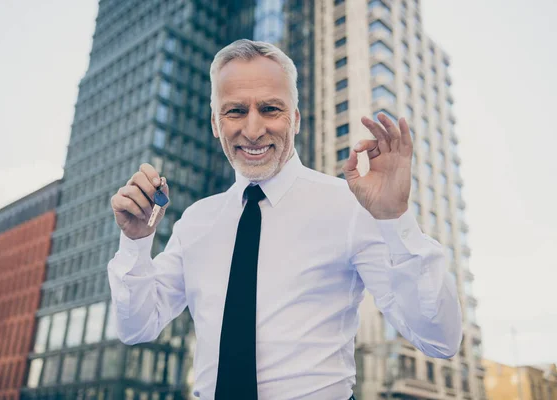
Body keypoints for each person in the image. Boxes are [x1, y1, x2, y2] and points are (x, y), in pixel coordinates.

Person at [108, 39, 462, 400]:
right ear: (216, 123)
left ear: (295, 118)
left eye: (270, 108)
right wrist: (135, 242)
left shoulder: (350, 207)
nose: (253, 129)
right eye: (234, 111)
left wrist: (396, 219)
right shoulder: (196, 221)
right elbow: (137, 326)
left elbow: (440, 339)